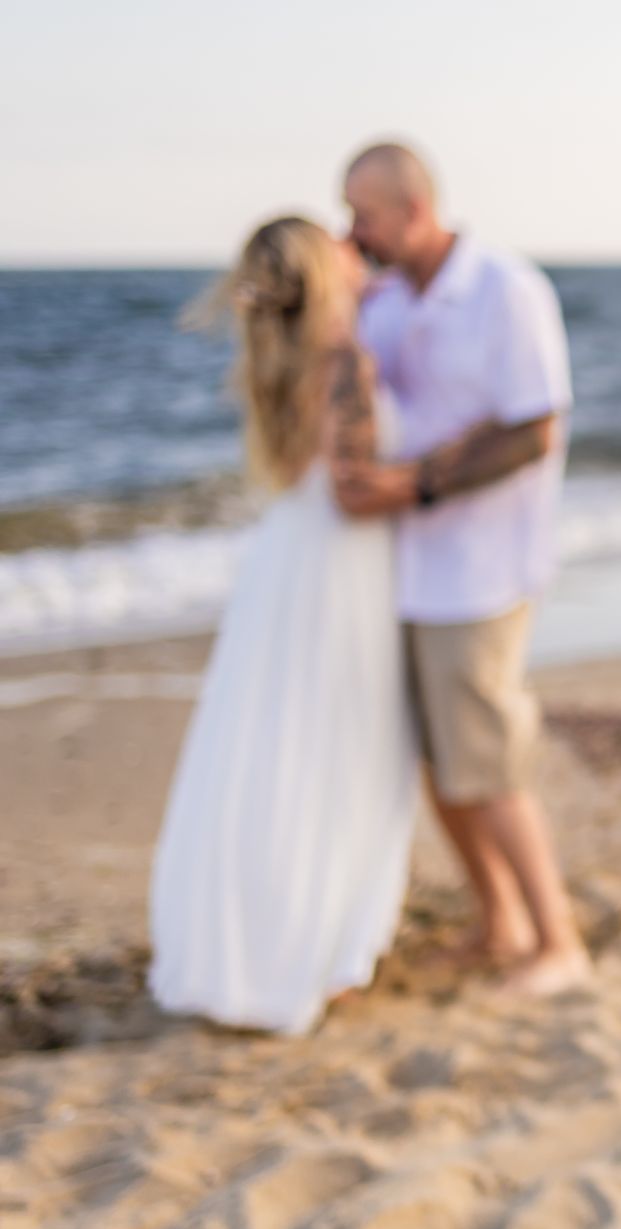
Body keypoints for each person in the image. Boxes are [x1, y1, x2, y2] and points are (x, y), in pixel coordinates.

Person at [148, 216, 419, 1035]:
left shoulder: (274, 359)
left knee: (264, 752)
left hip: (285, 568)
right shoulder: (345, 360)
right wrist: (454, 469)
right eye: (336, 240)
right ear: (323, 273)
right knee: (339, 758)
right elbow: (355, 489)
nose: (352, 239)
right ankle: (315, 952)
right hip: (342, 571)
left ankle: (259, 942)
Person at [334, 142, 591, 996]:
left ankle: (559, 941)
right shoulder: (381, 299)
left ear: (413, 210)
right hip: (399, 569)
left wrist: (413, 484)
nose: (353, 230)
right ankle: (498, 921)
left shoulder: (504, 291)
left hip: (482, 570)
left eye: (363, 214)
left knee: (487, 760)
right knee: (439, 765)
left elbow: (533, 430)